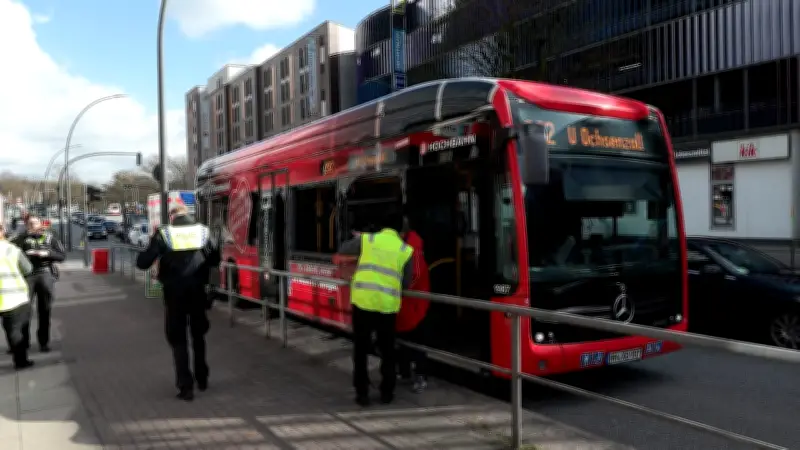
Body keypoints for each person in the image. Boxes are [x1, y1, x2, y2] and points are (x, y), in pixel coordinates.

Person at [136, 204, 221, 401]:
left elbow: (142, 263)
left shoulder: (164, 234)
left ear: (172, 216)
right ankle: (202, 378)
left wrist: (153, 246)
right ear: (188, 215)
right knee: (198, 335)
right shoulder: (202, 231)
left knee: (178, 339)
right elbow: (216, 259)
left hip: (174, 294)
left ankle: (186, 386)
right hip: (199, 292)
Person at [335, 212, 413, 406]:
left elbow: (343, 248)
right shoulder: (406, 249)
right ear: (400, 231)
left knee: (360, 350)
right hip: (387, 307)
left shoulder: (367, 240)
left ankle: (362, 394)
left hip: (363, 302)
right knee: (388, 351)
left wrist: (358, 237)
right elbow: (406, 282)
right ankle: (387, 392)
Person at [12, 215, 65, 353]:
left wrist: (47, 253)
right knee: (24, 311)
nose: (32, 226)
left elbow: (61, 256)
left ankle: (43, 342)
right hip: (27, 276)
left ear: (40, 224)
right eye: (29, 224)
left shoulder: (50, 237)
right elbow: (11, 250)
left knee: (44, 310)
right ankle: (24, 342)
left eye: (34, 223)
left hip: (45, 274)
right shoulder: (22, 238)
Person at [395, 216, 431, 393]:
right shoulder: (409, 245)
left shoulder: (413, 248)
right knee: (405, 339)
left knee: (416, 341)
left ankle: (420, 376)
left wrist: (395, 285)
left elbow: (413, 276)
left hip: (414, 305)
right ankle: (405, 371)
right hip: (407, 304)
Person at [0, 224, 35, 369]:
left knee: (10, 329)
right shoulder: (11, 250)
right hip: (14, 298)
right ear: (2, 232)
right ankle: (20, 361)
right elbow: (28, 269)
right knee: (16, 331)